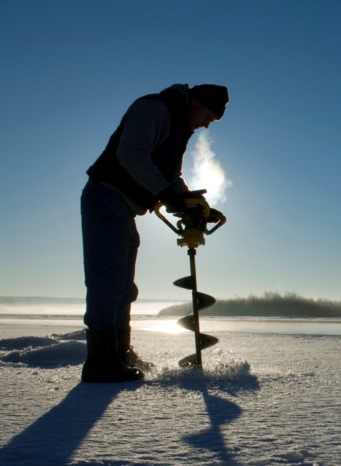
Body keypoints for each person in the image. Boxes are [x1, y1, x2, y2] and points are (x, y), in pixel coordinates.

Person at [80, 83, 229, 383]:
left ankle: (120, 353)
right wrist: (166, 193)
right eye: (207, 117)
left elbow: (171, 177)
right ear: (195, 101)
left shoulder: (178, 128)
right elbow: (131, 153)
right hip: (106, 198)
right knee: (108, 283)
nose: (204, 125)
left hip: (125, 207)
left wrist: (192, 204)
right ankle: (100, 361)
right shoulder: (155, 109)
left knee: (123, 286)